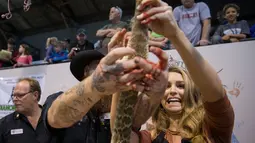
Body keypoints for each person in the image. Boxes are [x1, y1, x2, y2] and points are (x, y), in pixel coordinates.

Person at [110, 1, 234, 143]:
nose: (173, 91)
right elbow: (120, 135)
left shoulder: (212, 128)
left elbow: (216, 94)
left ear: (192, 92)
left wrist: (175, 35)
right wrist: (121, 70)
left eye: (181, 86)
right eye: (167, 86)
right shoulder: (148, 137)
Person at [42, 28, 169, 143]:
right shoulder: (59, 99)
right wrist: (95, 85)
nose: (112, 72)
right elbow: (55, 117)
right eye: (102, 66)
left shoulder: (116, 111)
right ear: (86, 71)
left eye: (115, 67)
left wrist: (156, 93)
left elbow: (133, 125)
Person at [0, 78, 51, 143]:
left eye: (20, 95)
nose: (15, 99)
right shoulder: (4, 124)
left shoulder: (51, 119)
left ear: (35, 95)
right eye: (14, 96)